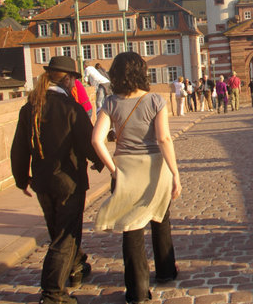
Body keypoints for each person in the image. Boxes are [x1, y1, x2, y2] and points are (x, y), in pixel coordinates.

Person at [10, 56, 104, 304]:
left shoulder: (29, 107)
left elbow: (19, 147)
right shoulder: (70, 107)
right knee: (66, 236)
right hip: (69, 181)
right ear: (69, 79)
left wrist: (22, 179)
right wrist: (100, 160)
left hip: (42, 183)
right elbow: (87, 141)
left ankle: (74, 269)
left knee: (58, 232)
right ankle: (52, 294)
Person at [92, 52, 181, 304]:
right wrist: (175, 172)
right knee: (160, 218)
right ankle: (165, 271)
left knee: (131, 229)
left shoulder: (110, 102)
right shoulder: (155, 100)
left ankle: (137, 291)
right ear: (142, 72)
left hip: (126, 170)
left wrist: (113, 169)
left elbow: (96, 139)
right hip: (154, 168)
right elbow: (163, 139)